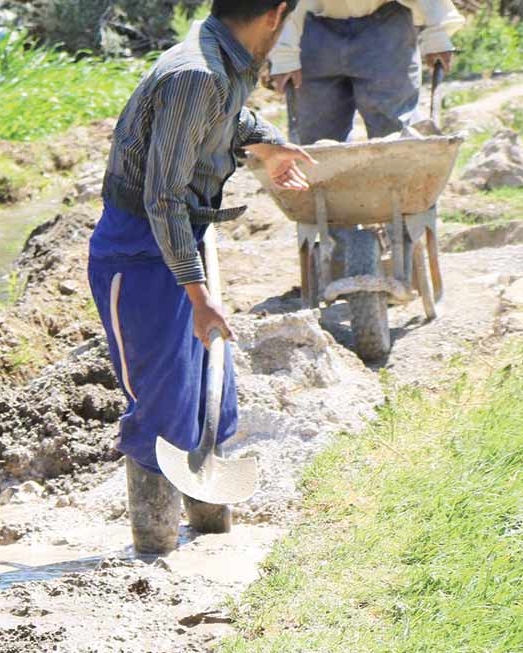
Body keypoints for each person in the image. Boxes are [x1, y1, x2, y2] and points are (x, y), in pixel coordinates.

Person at [87, 0, 316, 555]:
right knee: (162, 407)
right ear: (275, 14)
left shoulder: (224, 61)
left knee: (211, 398)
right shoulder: (195, 71)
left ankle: (211, 531)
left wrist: (269, 142)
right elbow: (162, 196)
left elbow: (227, 119)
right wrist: (199, 295)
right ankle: (154, 545)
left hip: (184, 237)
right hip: (141, 250)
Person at [267, 0, 462, 142]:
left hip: (385, 27)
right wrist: (284, 54)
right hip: (315, 28)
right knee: (317, 140)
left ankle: (402, 193)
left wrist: (437, 33)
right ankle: (327, 195)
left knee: (394, 133)